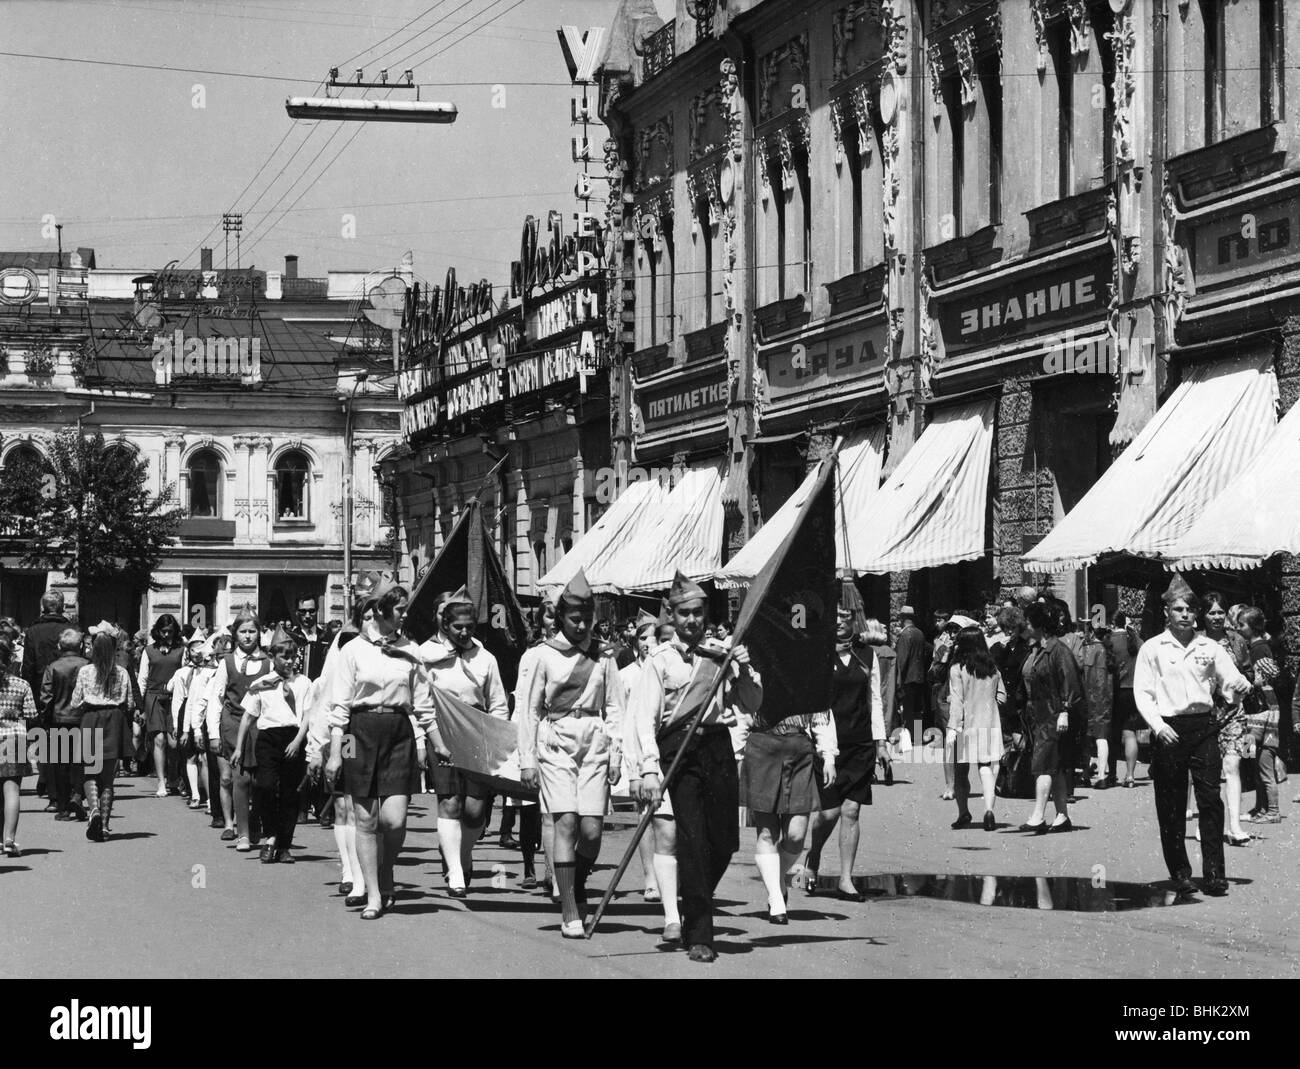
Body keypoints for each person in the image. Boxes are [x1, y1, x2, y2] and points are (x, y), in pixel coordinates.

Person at [626, 571, 762, 963]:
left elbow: (751, 703)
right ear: (671, 615)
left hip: (717, 746)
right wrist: (648, 770)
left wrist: (745, 669)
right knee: (692, 838)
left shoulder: (722, 653)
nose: (692, 620)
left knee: (725, 842)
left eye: (698, 613)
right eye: (684, 613)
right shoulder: (659, 661)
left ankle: (692, 890)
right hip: (679, 752)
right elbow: (644, 719)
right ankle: (701, 933)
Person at [517, 569, 624, 938]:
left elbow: (616, 708)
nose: (581, 625)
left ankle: (576, 882)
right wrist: (527, 759)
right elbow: (529, 710)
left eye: (587, 619)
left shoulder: (604, 657)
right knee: (565, 822)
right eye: (575, 618)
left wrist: (616, 754)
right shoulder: (542, 656)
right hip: (556, 741)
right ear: (561, 617)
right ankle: (569, 909)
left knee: (592, 831)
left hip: (594, 741)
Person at [326, 573, 439, 919]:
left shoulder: (411, 650)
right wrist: (335, 755)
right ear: (379, 609)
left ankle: (386, 871)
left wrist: (432, 743)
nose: (404, 615)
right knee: (364, 817)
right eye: (399, 609)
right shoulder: (352, 650)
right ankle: (374, 892)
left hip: (397, 733)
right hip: (357, 733)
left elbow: (422, 704)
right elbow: (340, 708)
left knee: (394, 820)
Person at [1133, 574, 1250, 897]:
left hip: (1202, 727)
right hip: (1169, 729)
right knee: (1170, 803)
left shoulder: (1208, 648)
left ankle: (1214, 873)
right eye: (1178, 609)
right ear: (1167, 612)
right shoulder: (1153, 649)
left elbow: (1232, 683)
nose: (1185, 615)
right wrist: (1158, 726)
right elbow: (1143, 693)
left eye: (1190, 610)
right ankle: (1180, 872)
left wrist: (1239, 690)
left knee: (1210, 799)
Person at [419, 588, 509, 897]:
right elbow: (418, 702)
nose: (465, 632)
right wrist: (422, 741)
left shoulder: (485, 658)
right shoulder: (425, 655)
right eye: (458, 627)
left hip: (477, 733)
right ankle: (455, 870)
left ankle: (464, 852)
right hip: (441, 732)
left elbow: (497, 702)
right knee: (450, 801)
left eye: (470, 626)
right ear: (444, 623)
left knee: (474, 811)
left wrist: (497, 738)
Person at [805, 608, 885, 900]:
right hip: (828, 743)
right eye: (834, 615)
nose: (838, 620)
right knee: (828, 813)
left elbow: (874, 699)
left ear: (855, 620)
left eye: (844, 615)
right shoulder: (819, 653)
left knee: (851, 811)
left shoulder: (868, 654)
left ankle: (845, 879)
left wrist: (881, 742)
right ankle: (812, 859)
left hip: (860, 742)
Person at [233, 625, 312, 863]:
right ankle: (269, 835)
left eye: (292, 656)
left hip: (293, 738)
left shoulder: (304, 683)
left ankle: (284, 845)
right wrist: (238, 747)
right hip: (268, 739)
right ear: (273, 657)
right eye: (283, 656)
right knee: (265, 787)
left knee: (290, 793)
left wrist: (298, 741)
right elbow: (248, 717)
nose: (288, 661)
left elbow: (307, 715)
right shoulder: (262, 683)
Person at [307, 607, 366, 901]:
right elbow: (325, 699)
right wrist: (317, 747)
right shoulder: (343, 644)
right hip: (346, 735)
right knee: (346, 805)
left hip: (377, 735)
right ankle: (349, 869)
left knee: (371, 811)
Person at [206, 610, 271, 850]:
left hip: (260, 725)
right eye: (242, 632)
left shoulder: (268, 662)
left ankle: (255, 821)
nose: (247, 637)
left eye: (252, 631)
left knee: (261, 781)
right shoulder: (226, 663)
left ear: (259, 633)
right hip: (233, 724)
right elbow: (216, 698)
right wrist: (213, 733)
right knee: (241, 778)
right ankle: (242, 832)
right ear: (235, 634)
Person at [1019, 601, 1083, 833]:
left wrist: (1065, 711)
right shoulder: (1039, 649)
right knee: (1053, 766)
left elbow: (1071, 683)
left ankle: (1037, 816)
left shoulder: (1059, 651)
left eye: (1028, 622)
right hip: (1041, 715)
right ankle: (1062, 816)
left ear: (1039, 625)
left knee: (1043, 766)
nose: (1025, 626)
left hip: (1054, 715)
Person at [69, 624, 135, 842]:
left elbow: (76, 701)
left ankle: (94, 809)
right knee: (108, 778)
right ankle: (105, 826)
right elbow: (130, 702)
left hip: (91, 720)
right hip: (114, 720)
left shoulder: (85, 671)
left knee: (90, 772)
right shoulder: (122, 672)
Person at [619, 610, 665, 910]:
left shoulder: (669, 668)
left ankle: (669, 874)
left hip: (670, 749)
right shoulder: (627, 676)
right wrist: (631, 768)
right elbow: (623, 722)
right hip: (640, 754)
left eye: (655, 637)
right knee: (646, 814)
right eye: (643, 637)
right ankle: (650, 877)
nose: (649, 642)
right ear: (636, 643)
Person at [511, 600, 556, 893]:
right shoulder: (532, 656)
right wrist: (520, 743)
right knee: (529, 806)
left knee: (557, 809)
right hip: (534, 733)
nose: (554, 623)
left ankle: (554, 870)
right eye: (550, 618)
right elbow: (524, 702)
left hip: (561, 735)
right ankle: (529, 864)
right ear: (541, 623)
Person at [1200, 595, 1252, 843]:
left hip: (1233, 712)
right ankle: (1207, 823)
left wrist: (1247, 683)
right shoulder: (1196, 641)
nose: (1217, 617)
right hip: (1205, 715)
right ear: (1204, 615)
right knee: (1207, 772)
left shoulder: (1237, 641)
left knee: (1232, 767)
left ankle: (1234, 827)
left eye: (1220, 612)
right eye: (1212, 613)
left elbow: (1249, 672)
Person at [947, 625, 1006, 830]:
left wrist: (952, 728)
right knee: (986, 768)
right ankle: (989, 811)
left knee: (960, 771)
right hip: (989, 723)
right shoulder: (992, 668)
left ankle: (963, 812)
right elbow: (1002, 696)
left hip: (965, 724)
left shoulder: (957, 669)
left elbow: (956, 701)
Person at [21, 592, 72, 806]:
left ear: (43, 607)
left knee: (45, 741)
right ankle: (66, 790)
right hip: (68, 690)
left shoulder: (32, 631)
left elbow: (29, 666)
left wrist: (28, 696)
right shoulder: (71, 628)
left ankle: (51, 789)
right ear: (61, 607)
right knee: (68, 743)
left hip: (40, 690)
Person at [1238, 607, 1285, 825]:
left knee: (1261, 761)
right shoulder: (1261, 646)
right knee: (1255, 760)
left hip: (1261, 715)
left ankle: (1272, 810)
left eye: (1242, 625)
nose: (1239, 629)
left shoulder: (1258, 650)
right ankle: (1261, 807)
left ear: (1253, 627)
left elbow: (1261, 680)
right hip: (1264, 714)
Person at [40, 627, 89, 822]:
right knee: (80, 762)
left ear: (60, 646)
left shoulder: (53, 667)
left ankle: (62, 805)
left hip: (59, 720)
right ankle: (78, 795)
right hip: (82, 719)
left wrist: (45, 720)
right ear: (81, 646)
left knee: (60, 765)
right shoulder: (87, 665)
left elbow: (46, 697)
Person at [137, 614, 184, 798]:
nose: (166, 635)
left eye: (170, 631)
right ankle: (161, 781)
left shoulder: (181, 650)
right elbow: (142, 679)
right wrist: (139, 706)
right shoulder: (148, 651)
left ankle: (174, 776)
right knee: (159, 740)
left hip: (174, 698)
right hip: (154, 697)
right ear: (158, 631)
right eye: (163, 631)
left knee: (173, 742)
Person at [0, 635, 37, 855]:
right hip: (13, 736)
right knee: (12, 790)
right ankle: (9, 839)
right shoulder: (21, 684)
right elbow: (31, 714)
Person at [167, 628, 211, 811]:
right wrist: (178, 725)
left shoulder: (211, 671)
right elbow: (176, 698)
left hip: (206, 711)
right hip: (187, 711)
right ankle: (195, 794)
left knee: (205, 757)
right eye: (194, 649)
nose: (198, 653)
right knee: (191, 756)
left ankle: (210, 797)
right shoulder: (182, 673)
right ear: (189, 651)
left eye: (202, 648)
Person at [1111, 613, 1144, 788]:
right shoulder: (1136, 640)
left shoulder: (1110, 640)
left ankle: (1111, 774)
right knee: (1130, 733)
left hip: (1117, 690)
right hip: (1135, 691)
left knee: (1113, 734)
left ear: (1111, 623)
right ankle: (1130, 775)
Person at [893, 606, 926, 747]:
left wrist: (897, 678)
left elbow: (902, 660)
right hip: (919, 676)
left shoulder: (905, 635)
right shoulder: (919, 633)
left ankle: (908, 736)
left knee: (907, 708)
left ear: (902, 618)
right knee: (917, 709)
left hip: (907, 677)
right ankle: (918, 736)